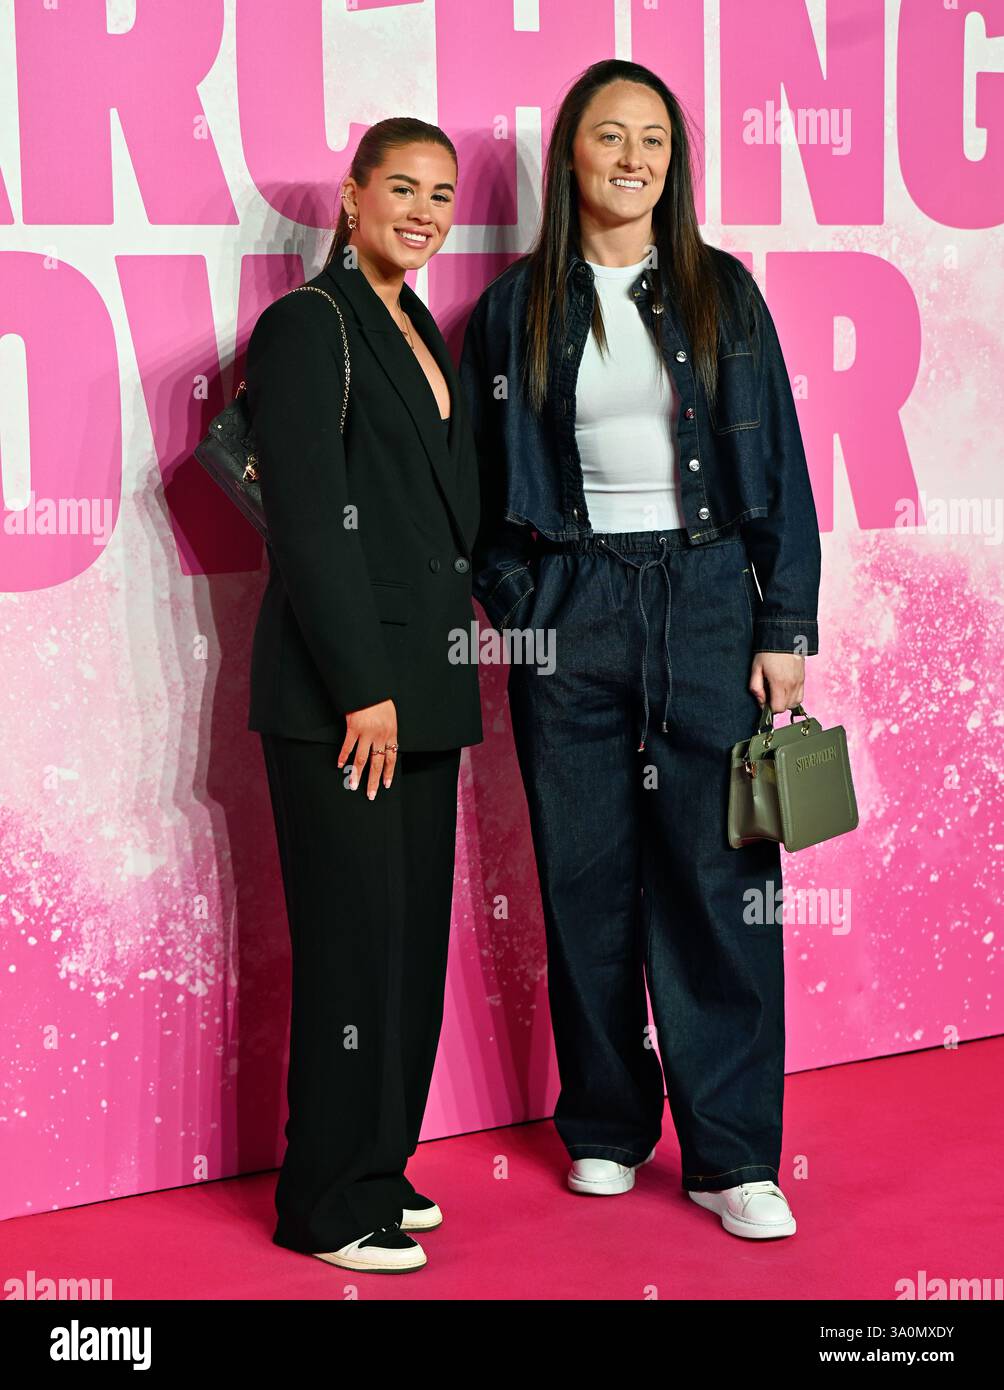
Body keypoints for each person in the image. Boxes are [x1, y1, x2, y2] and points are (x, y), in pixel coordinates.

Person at [460, 60, 821, 1240]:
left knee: (721, 880)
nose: (631, 158)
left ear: (672, 164)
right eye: (608, 137)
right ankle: (607, 1124)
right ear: (568, 156)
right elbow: (473, 495)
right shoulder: (515, 310)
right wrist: (528, 602)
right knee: (583, 880)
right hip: (572, 600)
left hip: (709, 598)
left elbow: (781, 475)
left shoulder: (723, 293)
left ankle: (730, 1155)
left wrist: (782, 625)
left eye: (653, 141)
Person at [244, 117, 483, 1273]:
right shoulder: (307, 326)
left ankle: (380, 1163)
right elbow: (305, 524)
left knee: (407, 950)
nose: (425, 211)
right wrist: (363, 688)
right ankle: (325, 1202)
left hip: (428, 691)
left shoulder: (420, 330)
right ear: (349, 198)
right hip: (344, 700)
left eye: (440, 194)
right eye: (401, 188)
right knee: (351, 948)